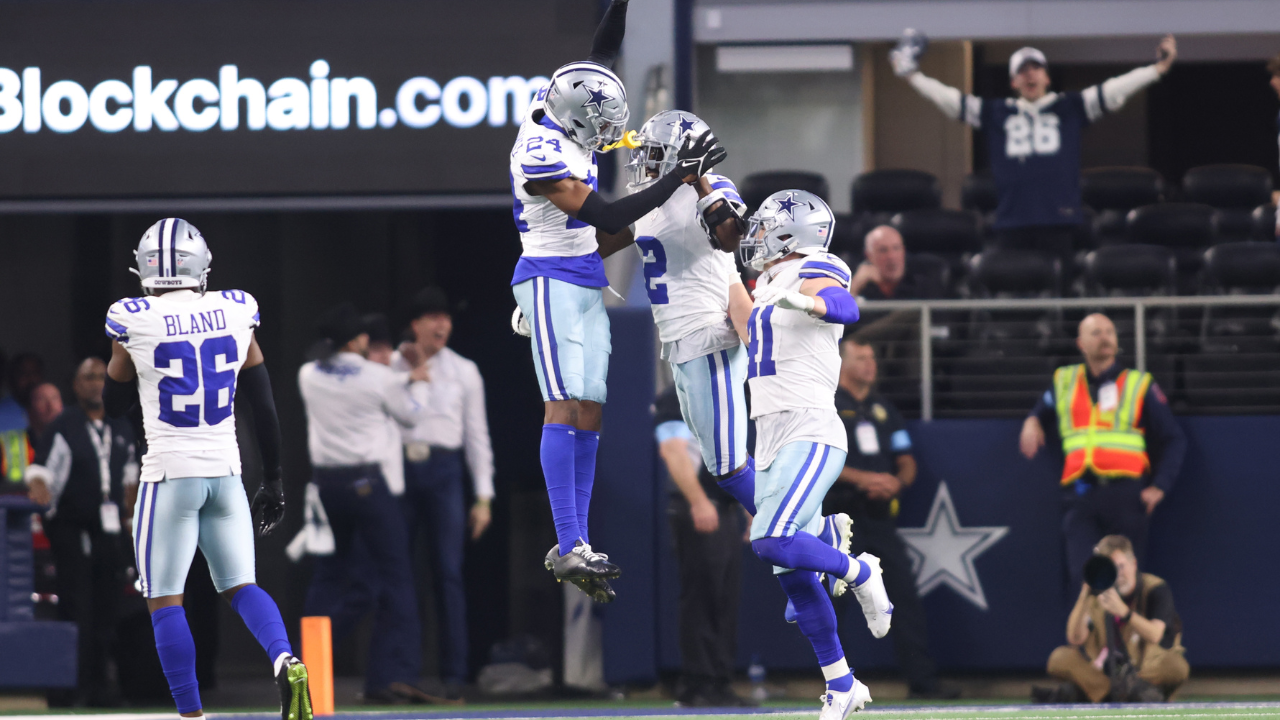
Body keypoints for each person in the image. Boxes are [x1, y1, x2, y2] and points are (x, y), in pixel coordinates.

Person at [508, 0, 726, 594]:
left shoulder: (570, 98)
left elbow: (602, 49)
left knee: (592, 407)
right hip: (551, 275)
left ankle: (577, 539)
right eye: (600, 128)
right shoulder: (539, 152)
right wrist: (676, 179)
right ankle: (569, 540)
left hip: (582, 273)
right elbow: (604, 214)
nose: (609, 138)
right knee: (563, 402)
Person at [102, 218, 310, 720]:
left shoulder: (132, 316)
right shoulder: (236, 308)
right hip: (227, 472)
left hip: (169, 476)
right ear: (202, 267)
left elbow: (111, 403)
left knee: (165, 601)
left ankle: (191, 715)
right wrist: (275, 477)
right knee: (242, 586)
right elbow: (263, 402)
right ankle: (285, 658)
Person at [739, 189, 892, 719]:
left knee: (772, 540)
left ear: (790, 234)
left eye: (765, 227)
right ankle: (841, 683)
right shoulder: (764, 283)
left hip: (810, 428)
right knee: (793, 574)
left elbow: (846, 307)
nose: (755, 236)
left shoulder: (816, 267)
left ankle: (858, 570)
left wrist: (809, 302)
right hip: (769, 434)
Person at [891, 32, 1177, 264]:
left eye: (1036, 69)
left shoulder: (1069, 107)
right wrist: (913, 76)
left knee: (1059, 298)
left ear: (1047, 77)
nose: (1030, 75)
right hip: (1012, 221)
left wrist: (1157, 69)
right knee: (1014, 295)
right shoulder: (997, 112)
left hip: (1058, 219)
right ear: (1014, 81)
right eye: (1023, 71)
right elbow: (950, 100)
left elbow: (1114, 89)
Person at [298, 302, 443, 705]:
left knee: (327, 579)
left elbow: (327, 365)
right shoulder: (377, 377)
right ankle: (392, 675)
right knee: (396, 577)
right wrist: (419, 379)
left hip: (326, 487)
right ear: (358, 339)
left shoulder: (308, 374)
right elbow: (413, 418)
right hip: (367, 485)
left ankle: (305, 672)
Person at [624, 110, 758, 520]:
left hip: (708, 336)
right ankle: (802, 531)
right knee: (725, 467)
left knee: (730, 468)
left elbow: (732, 238)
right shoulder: (646, 199)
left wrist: (699, 178)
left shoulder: (713, 187)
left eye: (653, 151)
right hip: (678, 341)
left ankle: (809, 533)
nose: (643, 159)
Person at [824, 339, 957, 700]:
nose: (871, 363)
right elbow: (819, 460)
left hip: (880, 519)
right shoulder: (827, 404)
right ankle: (835, 685)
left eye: (872, 357)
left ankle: (922, 682)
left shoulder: (883, 408)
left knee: (903, 599)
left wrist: (896, 482)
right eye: (862, 357)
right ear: (842, 363)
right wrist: (866, 479)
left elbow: (905, 458)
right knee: (831, 604)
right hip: (839, 521)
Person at [1020, 313, 1186, 591]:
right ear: (1081, 343)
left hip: (1126, 496)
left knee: (1126, 584)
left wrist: (1160, 486)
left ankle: (1125, 636)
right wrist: (1032, 420)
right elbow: (1041, 409)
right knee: (1084, 580)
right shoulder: (1064, 380)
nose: (1105, 337)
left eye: (1110, 331)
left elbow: (1174, 438)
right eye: (1096, 333)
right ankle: (1091, 637)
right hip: (1081, 494)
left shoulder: (1138, 383)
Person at [391, 287, 495, 699]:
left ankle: (455, 675)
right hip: (398, 469)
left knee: (448, 573)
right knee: (399, 575)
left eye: (446, 318)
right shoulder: (391, 365)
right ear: (415, 325)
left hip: (445, 472)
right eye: (433, 318)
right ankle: (401, 673)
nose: (442, 325)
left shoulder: (464, 370)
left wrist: (483, 497)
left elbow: (477, 436)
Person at [25, 358, 138, 707]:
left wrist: (130, 515)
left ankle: (100, 687)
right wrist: (39, 487)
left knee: (107, 607)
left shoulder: (121, 425)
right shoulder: (65, 425)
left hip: (109, 532)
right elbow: (42, 471)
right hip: (71, 529)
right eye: (88, 377)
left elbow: (131, 477)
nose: (95, 383)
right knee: (75, 606)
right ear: (75, 385)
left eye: (102, 377)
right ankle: (67, 688)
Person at [653, 387, 750, 708]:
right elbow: (673, 450)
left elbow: (737, 456)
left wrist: (750, 508)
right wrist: (698, 501)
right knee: (702, 597)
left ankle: (720, 683)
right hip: (698, 507)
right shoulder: (677, 396)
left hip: (724, 509)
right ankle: (697, 685)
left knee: (725, 598)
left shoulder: (731, 394)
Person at [1037, 535, 1187, 703]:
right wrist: (1085, 594)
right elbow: (1075, 638)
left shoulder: (1155, 588)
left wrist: (1125, 612)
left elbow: (1155, 635)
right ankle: (1116, 694)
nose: (1118, 574)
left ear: (1134, 564)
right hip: (1105, 672)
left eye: (1121, 566)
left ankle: (1101, 692)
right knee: (1059, 658)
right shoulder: (1098, 592)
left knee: (1175, 665)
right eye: (1111, 568)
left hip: (1144, 669)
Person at [849, 226, 944, 301]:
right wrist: (854, 287)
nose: (891, 256)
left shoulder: (924, 287)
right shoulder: (860, 287)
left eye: (896, 248)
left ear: (903, 251)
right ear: (868, 256)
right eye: (883, 250)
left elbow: (940, 323)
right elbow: (840, 322)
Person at [1, 352, 45, 491]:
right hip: (11, 494)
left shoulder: (52, 411)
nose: (31, 379)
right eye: (24, 374)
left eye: (35, 373)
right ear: (12, 379)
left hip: (49, 492)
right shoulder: (2, 411)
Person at [27, 382, 65, 449]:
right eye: (41, 399)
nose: (51, 407)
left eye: (55, 398)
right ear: (30, 409)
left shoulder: (76, 439)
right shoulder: (20, 444)